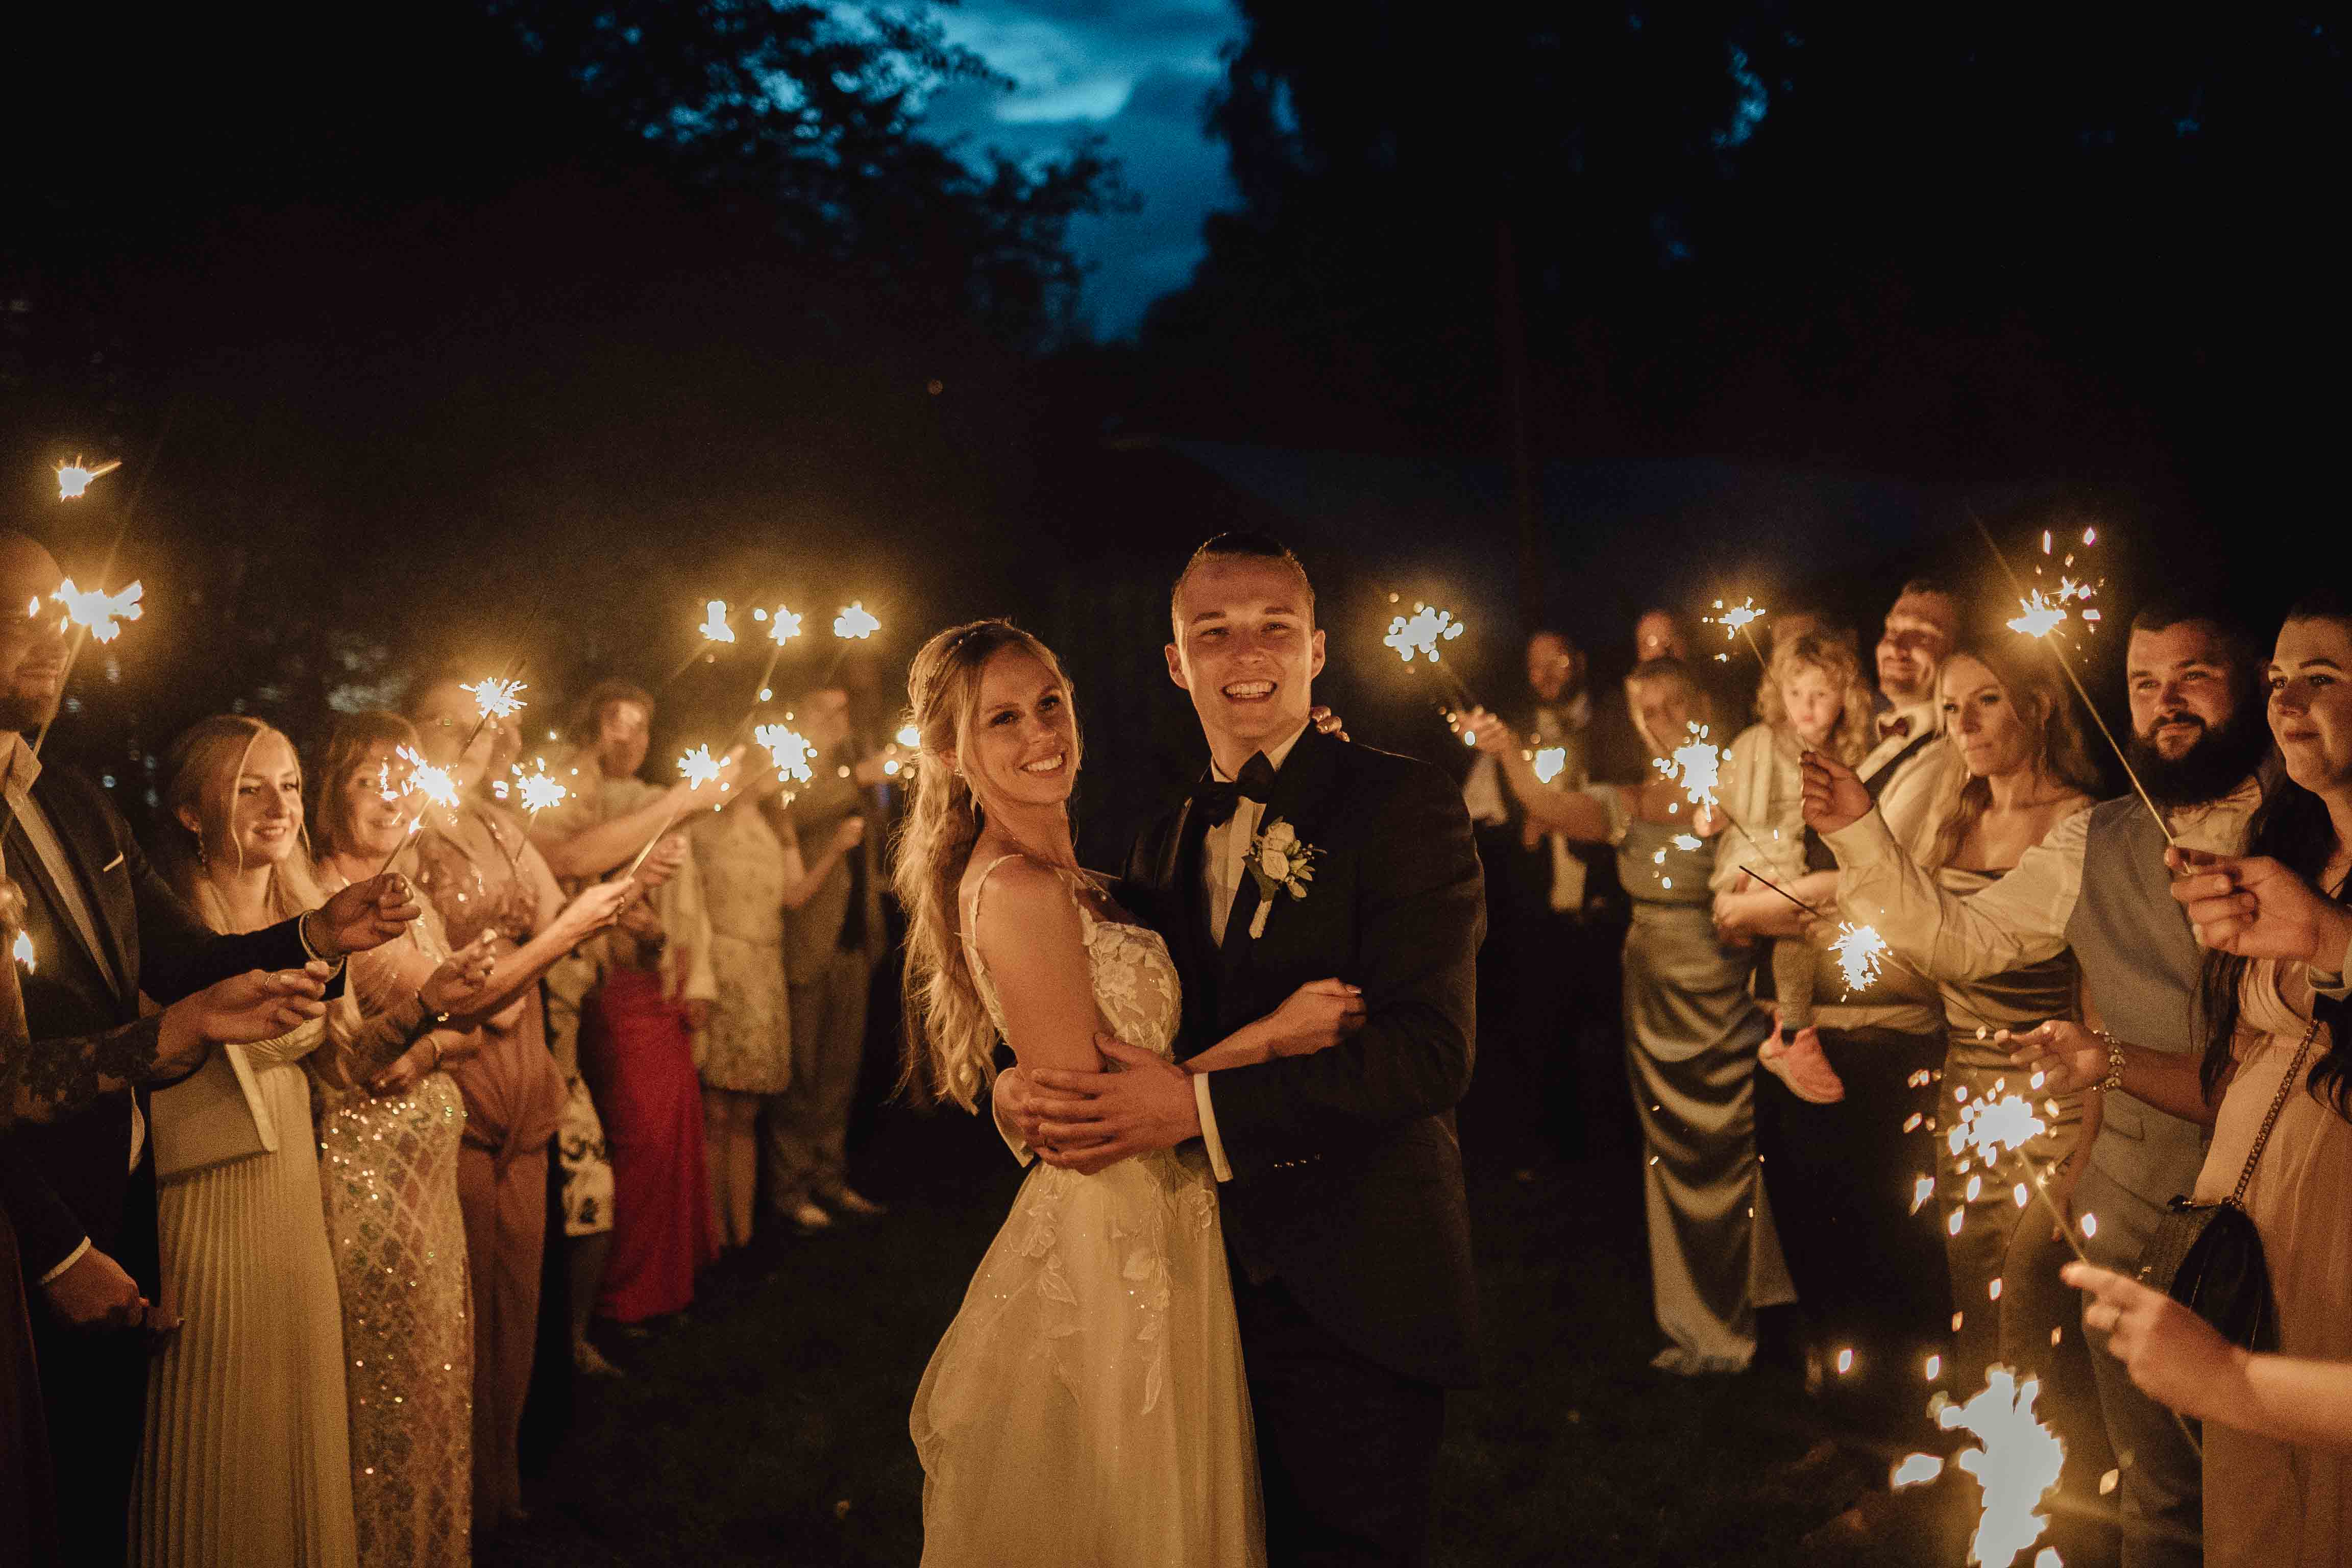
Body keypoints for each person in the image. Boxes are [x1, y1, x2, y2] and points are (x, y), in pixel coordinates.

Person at [994, 533, 1484, 1567]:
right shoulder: (1157, 842)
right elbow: (1106, 1023)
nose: (1244, 654)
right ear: (1176, 662)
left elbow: (1427, 1057)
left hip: (1357, 1289)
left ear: (1317, 651)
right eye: (1212, 634)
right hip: (1192, 1294)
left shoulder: (1403, 804)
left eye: (1274, 628)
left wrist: (1196, 1111)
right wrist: (1013, 1088)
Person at [1806, 596, 2278, 1567]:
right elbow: (1964, 940)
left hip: (2281, 1207)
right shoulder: (2096, 838)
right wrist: (1859, 829)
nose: (2164, 704)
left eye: (2193, 677)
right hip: (2131, 1200)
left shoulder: (2308, 822)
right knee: (2155, 1483)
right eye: (2143, 684)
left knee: (2277, 1482)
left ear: (2249, 683)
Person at [0, 529, 410, 1567]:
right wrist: (54, 1247)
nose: (51, 633)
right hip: (26, 1232)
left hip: (112, 1209)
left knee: (96, 1502)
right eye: (18, 610)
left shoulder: (70, 800)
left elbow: (188, 958)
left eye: (60, 608)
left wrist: (323, 933)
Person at [2019, 592, 2352, 1566]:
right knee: (2249, 1511)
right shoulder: (2291, 847)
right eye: (2281, 680)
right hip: (2250, 1241)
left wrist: (2330, 939)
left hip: (2336, 1238)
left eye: (2321, 678)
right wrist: (2102, 1061)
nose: (2289, 702)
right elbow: (2236, 1073)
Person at [321, 705, 633, 1546]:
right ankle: (437, 1511)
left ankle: (496, 1491)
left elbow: (466, 983)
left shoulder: (471, 839)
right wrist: (563, 934)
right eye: (368, 778)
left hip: (493, 1080)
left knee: (511, 1305)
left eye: (399, 773)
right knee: (437, 1339)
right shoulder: (377, 870)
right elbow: (454, 994)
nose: (392, 792)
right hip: (418, 1128)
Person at [1466, 657, 1795, 1375]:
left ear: (1703, 706)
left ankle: (1766, 1311)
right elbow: (1548, 808)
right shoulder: (1630, 799)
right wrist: (1507, 754)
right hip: (1654, 994)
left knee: (1742, 1143)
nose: (1663, 722)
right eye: (1649, 711)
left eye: (1675, 706)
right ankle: (1698, 1320)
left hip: (1729, 989)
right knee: (1673, 1147)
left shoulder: (1741, 788)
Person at [134, 716, 372, 1567]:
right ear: (191, 814)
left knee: (288, 1405)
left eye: (292, 786)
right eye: (249, 786)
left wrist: (437, 1004)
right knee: (209, 1411)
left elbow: (347, 1061)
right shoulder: (158, 924)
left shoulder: (307, 907)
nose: (279, 805)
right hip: (196, 1188)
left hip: (288, 1190)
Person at [1721, 605, 1959, 1446]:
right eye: (1891, 626)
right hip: (1813, 1017)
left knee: (1878, 1241)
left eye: (1924, 633)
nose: (1898, 642)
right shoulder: (1870, 748)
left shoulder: (1941, 756)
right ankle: (1843, 1407)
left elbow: (1878, 870)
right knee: (1817, 1229)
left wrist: (1753, 903)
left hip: (1879, 1031)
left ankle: (1896, 1429)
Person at [1903, 642, 2099, 1396]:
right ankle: (1979, 1475)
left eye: (1985, 699)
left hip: (2053, 1095)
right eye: (1950, 708)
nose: (1964, 724)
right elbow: (1930, 953)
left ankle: (2048, 1486)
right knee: (1972, 1290)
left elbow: (2095, 988)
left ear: (2040, 705)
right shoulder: (1957, 818)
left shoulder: (2082, 824)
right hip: (1965, 1094)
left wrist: (2087, 1143)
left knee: (2027, 1297)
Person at [530, 680, 725, 1330]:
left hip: (661, 980)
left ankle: (667, 1286)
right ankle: (622, 1294)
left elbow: (689, 904)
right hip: (605, 990)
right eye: (618, 724)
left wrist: (690, 976)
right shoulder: (574, 803)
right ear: (591, 730)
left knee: (671, 1138)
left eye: (643, 726)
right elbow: (577, 871)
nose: (631, 739)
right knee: (636, 1139)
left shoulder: (664, 802)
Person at [1458, 629, 1616, 1160]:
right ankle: (1554, 1154)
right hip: (1540, 914)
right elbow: (1476, 819)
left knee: (1615, 1040)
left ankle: (1618, 1155)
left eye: (1558, 662)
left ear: (1581, 661)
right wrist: (1523, 829)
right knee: (1544, 1035)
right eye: (1534, 667)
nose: (1546, 676)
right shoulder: (1512, 736)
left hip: (1611, 911)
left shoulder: (1613, 726)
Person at [766, 686, 893, 1234]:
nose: (843, 716)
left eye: (847, 707)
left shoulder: (848, 768)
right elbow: (794, 812)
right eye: (831, 709)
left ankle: (830, 1176)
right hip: (807, 943)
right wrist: (857, 779)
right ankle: (790, 1189)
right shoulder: (790, 765)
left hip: (853, 944)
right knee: (802, 1073)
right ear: (804, 715)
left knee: (840, 1073)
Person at [688, 760, 806, 1254]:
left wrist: (804, 842)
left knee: (747, 1112)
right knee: (715, 1110)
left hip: (763, 968)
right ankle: (713, 1233)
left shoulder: (775, 829)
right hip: (723, 963)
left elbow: (793, 894)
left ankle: (744, 1233)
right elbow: (691, 901)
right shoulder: (706, 826)